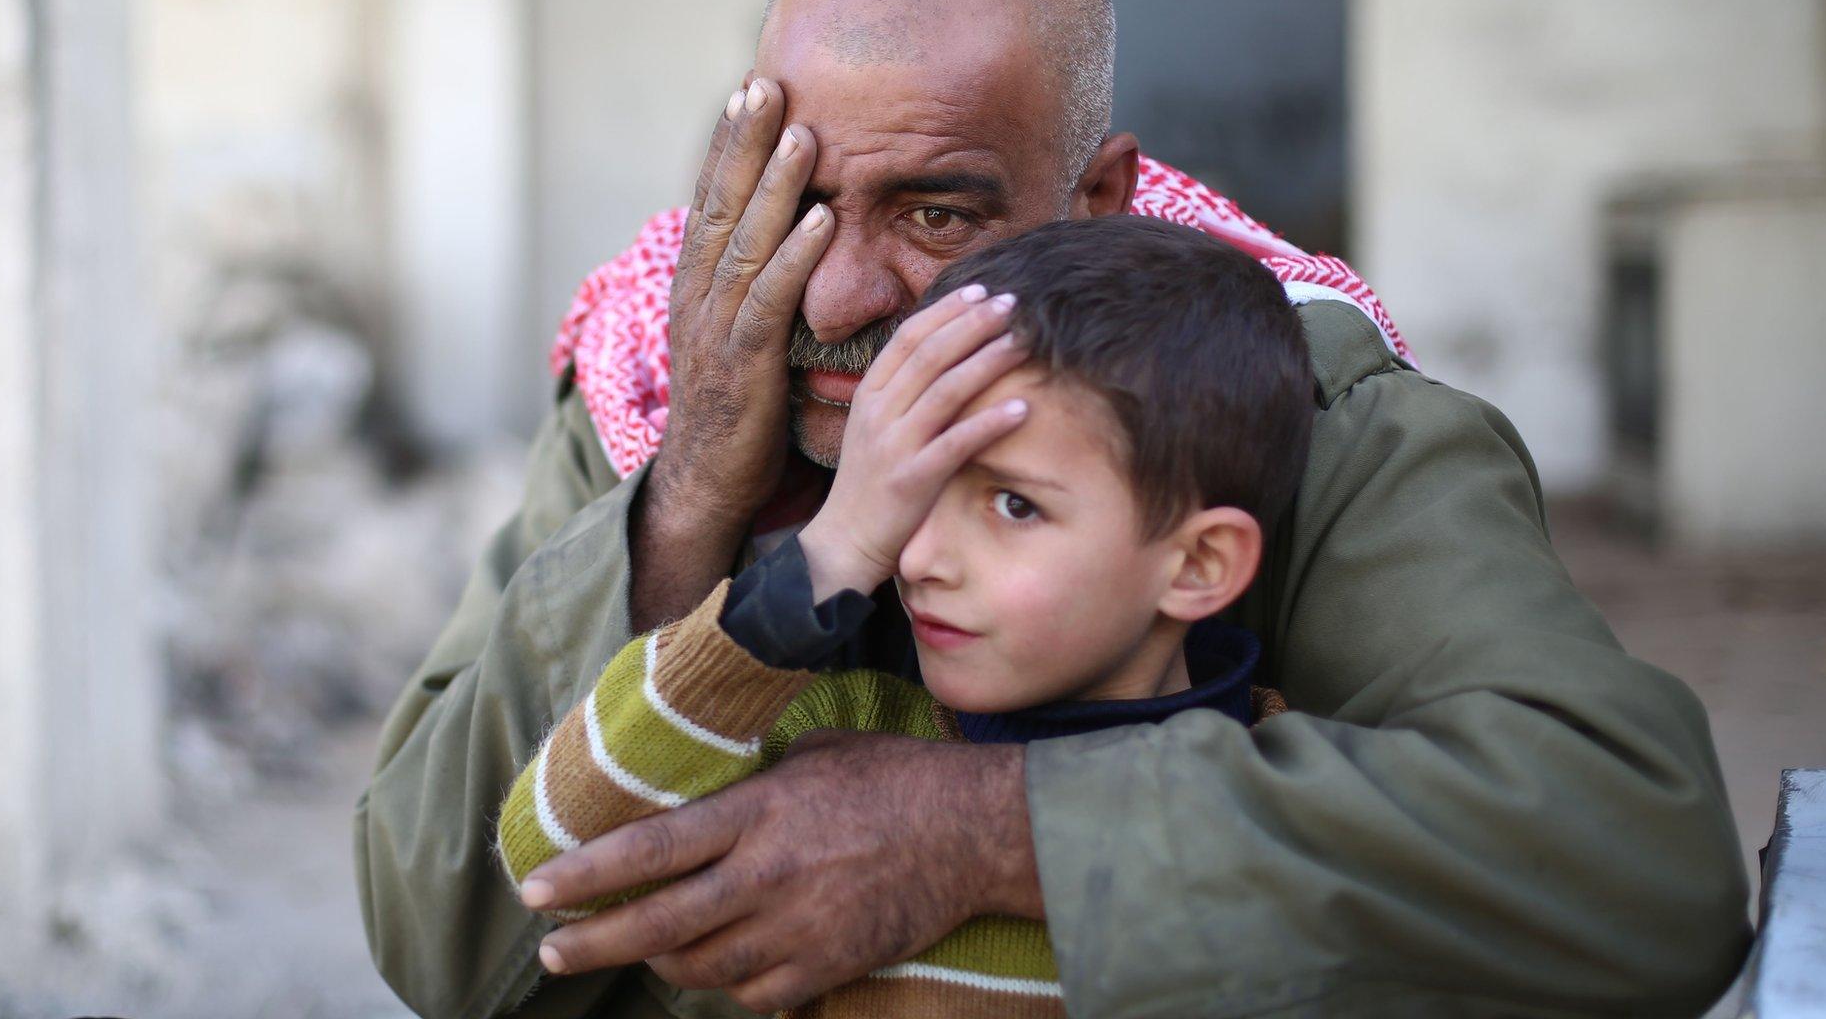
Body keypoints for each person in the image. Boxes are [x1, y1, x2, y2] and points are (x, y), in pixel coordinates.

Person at [357, 0, 1749, 1019]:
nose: (840, 298)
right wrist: (693, 506)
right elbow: (440, 932)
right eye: (799, 208)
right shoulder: (671, 394)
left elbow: (1633, 856)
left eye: (938, 216)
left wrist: (985, 829)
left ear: (1097, 201)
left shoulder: (1268, 404)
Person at [497, 218, 1308, 1018]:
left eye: (1014, 504)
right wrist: (830, 553)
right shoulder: (842, 744)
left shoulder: (1282, 804)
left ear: (1199, 565)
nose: (918, 559)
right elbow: (557, 857)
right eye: (912, 490)